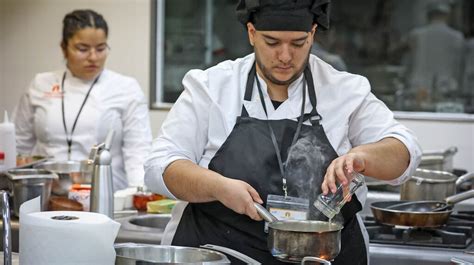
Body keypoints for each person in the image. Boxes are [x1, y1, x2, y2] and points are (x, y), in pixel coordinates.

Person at [145, 0, 421, 264]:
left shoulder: (345, 90)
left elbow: (404, 152)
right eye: (272, 42)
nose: (285, 56)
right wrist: (218, 187)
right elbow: (160, 166)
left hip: (323, 257)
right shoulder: (211, 88)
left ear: (312, 34)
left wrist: (363, 157)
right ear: (252, 33)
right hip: (221, 252)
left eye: (298, 43)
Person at [13, 9, 152, 191]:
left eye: (101, 48)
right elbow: (18, 144)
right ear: (64, 47)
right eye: (83, 49)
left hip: (106, 194)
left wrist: (140, 192)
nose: (93, 57)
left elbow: (138, 150)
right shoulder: (41, 84)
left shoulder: (126, 88)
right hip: (46, 193)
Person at [404, 1, 465, 106]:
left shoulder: (416, 34)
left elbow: (408, 63)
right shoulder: (457, 37)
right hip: (446, 88)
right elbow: (459, 67)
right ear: (447, 15)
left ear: (428, 15)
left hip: (418, 87)